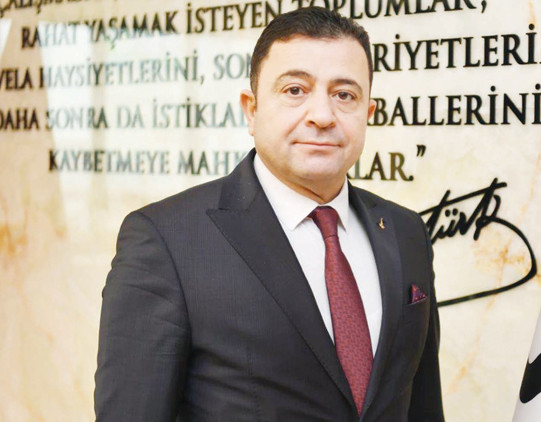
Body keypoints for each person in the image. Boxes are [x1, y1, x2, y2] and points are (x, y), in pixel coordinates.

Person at [94, 7, 443, 421]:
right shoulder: (167, 241)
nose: (322, 116)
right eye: (295, 90)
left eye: (344, 95)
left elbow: (423, 406)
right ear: (251, 109)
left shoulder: (406, 231)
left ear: (368, 113)